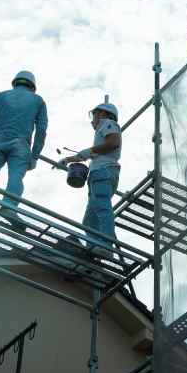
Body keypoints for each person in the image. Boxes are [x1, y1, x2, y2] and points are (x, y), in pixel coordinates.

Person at [0, 71, 47, 229]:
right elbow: (41, 130)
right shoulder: (38, 101)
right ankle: (8, 207)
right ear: (32, 86)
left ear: (15, 82)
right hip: (20, 145)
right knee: (16, 177)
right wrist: (34, 156)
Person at [61, 101, 121, 258]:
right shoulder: (101, 131)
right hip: (99, 173)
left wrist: (87, 152)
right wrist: (68, 160)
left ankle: (106, 246)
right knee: (89, 221)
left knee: (102, 208)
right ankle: (94, 250)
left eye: (94, 114)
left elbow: (113, 142)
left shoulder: (107, 123)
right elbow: (93, 153)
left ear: (103, 113)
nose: (92, 119)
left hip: (103, 171)